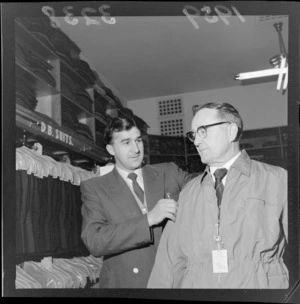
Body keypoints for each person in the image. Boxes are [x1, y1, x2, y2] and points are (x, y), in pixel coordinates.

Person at [148, 102, 289, 289]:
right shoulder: (188, 194)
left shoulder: (276, 180)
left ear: (231, 131)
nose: (196, 141)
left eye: (203, 130)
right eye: (193, 134)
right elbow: (169, 263)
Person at [80, 116, 192, 288]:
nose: (136, 149)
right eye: (126, 142)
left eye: (138, 140)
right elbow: (94, 241)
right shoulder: (95, 187)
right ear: (111, 149)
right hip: (126, 285)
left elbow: (204, 192)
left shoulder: (169, 172)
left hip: (172, 282)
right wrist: (148, 220)